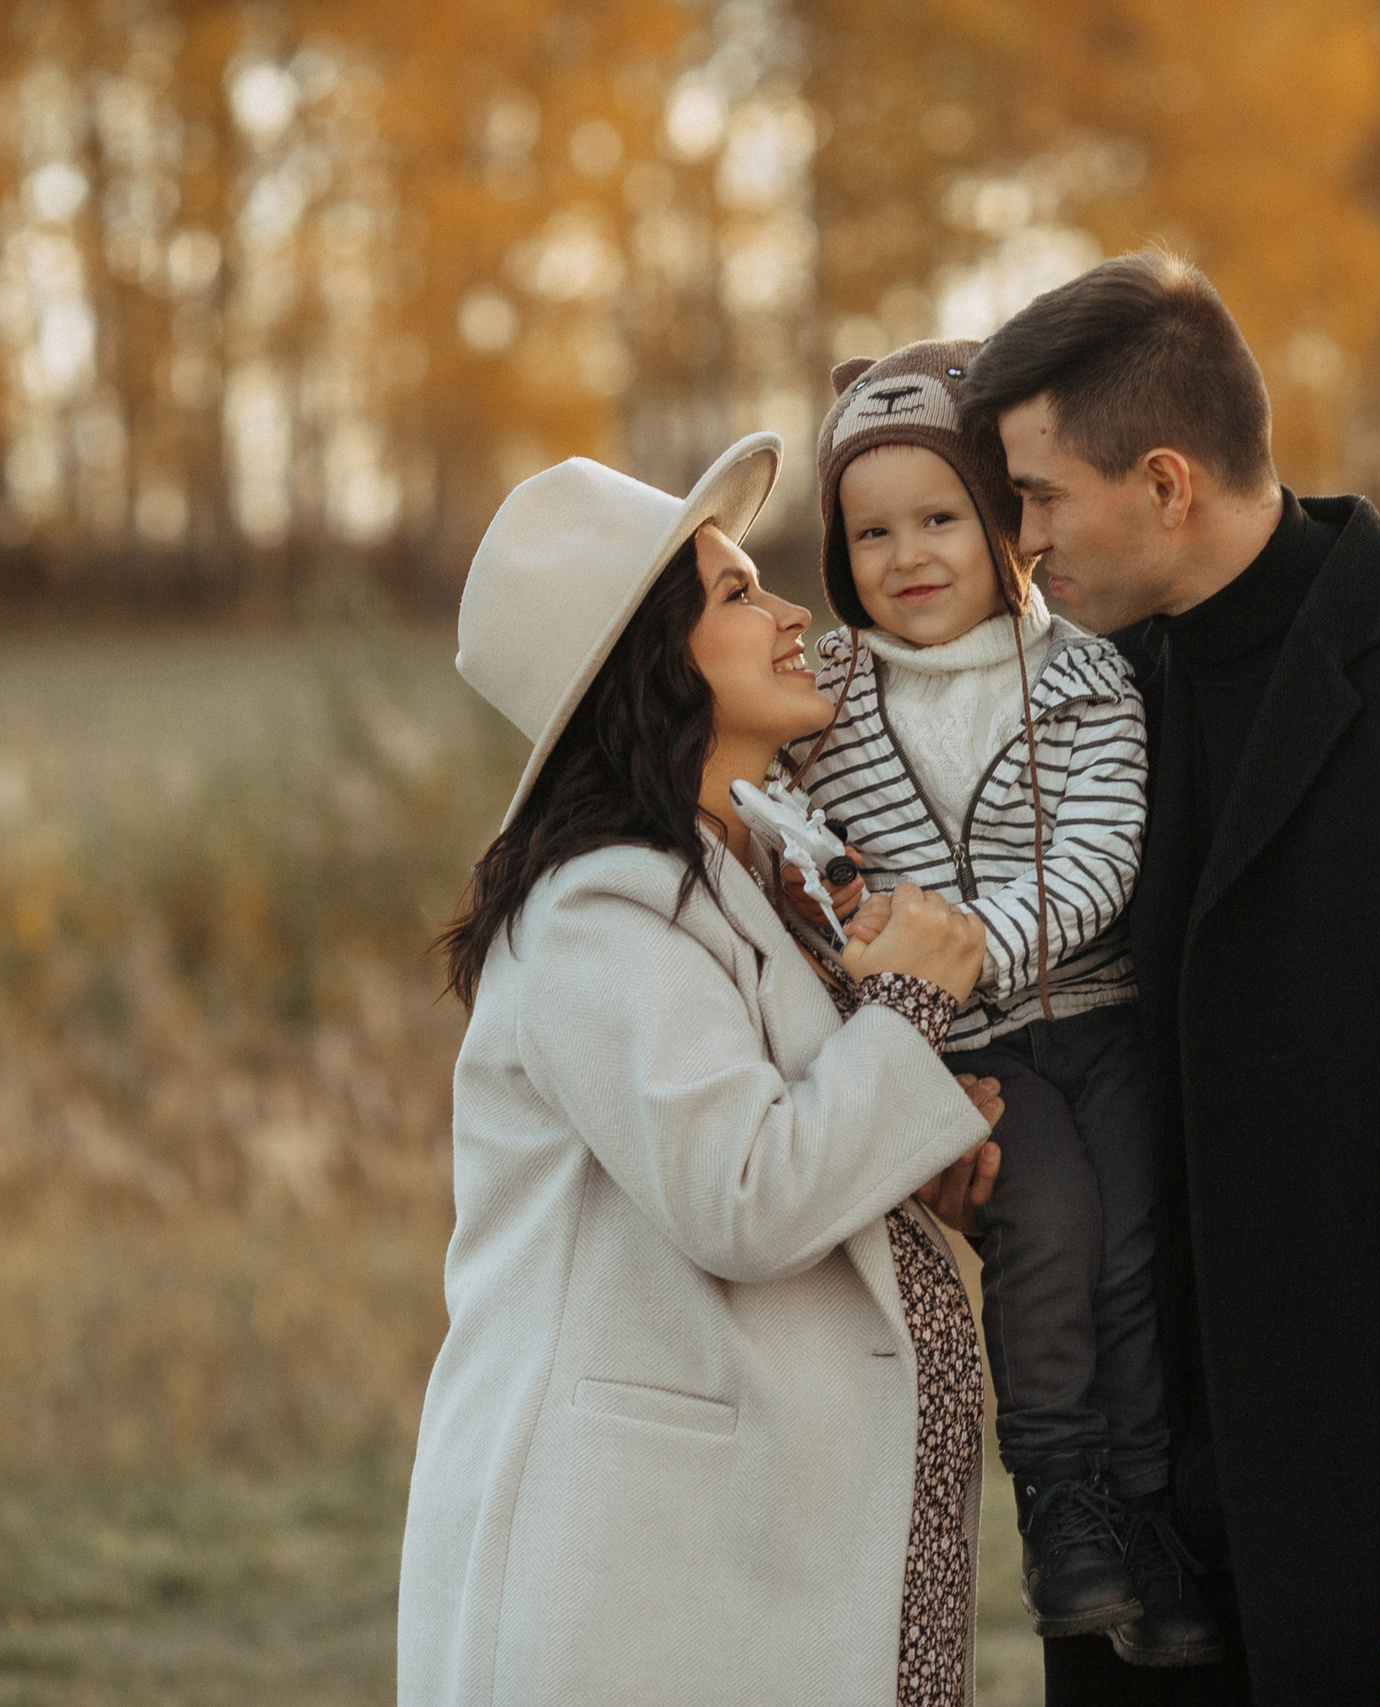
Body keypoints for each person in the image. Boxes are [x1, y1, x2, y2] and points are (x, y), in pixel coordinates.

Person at [962, 254, 1380, 1706]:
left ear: (1164, 481)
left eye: (1039, 496)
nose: (1020, 544)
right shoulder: (1079, 710)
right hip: (1150, 1553)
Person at [396, 432, 1012, 1707]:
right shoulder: (596, 913)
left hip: (748, 1550)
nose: (793, 612)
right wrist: (910, 1004)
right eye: (737, 595)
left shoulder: (751, 878)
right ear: (650, 663)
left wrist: (915, 1166)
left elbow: (786, 1140)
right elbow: (742, 1191)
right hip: (646, 1572)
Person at [784, 339, 1224, 1666]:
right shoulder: (832, 702)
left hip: (1094, 1017)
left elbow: (1099, 854)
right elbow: (807, 856)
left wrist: (970, 935)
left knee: (1133, 1250)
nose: (906, 554)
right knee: (1048, 1232)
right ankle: (1062, 1497)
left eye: (938, 517)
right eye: (870, 530)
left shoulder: (1083, 675)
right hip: (972, 1046)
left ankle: (1145, 1503)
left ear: (999, 523)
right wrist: (863, 926)